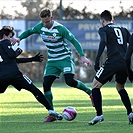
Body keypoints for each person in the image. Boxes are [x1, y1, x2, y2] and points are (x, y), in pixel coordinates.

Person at [11, 8, 93, 122]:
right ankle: (52, 113)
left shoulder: (60, 28)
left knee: (70, 81)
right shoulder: (40, 27)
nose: (45, 24)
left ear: (51, 17)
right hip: (52, 61)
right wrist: (19, 38)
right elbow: (29, 31)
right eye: (43, 22)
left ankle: (90, 92)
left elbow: (74, 40)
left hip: (65, 58)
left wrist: (83, 56)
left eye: (47, 21)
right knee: (46, 84)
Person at [0, 26, 63, 122]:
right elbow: (13, 55)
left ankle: (51, 111)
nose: (11, 39)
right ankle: (50, 110)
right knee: (34, 89)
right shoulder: (5, 42)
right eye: (10, 36)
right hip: (15, 74)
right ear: (4, 35)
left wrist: (32, 59)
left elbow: (14, 60)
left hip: (2, 76)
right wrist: (19, 49)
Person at [88, 10, 133, 125]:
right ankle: (130, 113)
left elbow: (103, 41)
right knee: (120, 87)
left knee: (95, 85)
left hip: (112, 62)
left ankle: (99, 115)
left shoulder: (104, 29)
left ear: (102, 20)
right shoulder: (123, 30)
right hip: (124, 63)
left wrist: (97, 59)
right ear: (112, 20)